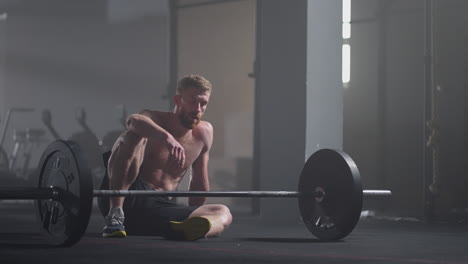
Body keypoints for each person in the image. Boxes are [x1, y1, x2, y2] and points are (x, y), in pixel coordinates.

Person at [102, 75, 232, 241]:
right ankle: (115, 216)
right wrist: (166, 138)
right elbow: (133, 121)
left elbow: (199, 179)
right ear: (178, 100)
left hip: (159, 207)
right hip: (128, 195)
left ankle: (191, 230)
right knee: (132, 136)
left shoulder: (204, 133)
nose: (198, 109)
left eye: (203, 103)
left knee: (222, 212)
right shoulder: (154, 118)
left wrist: (195, 213)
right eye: (193, 101)